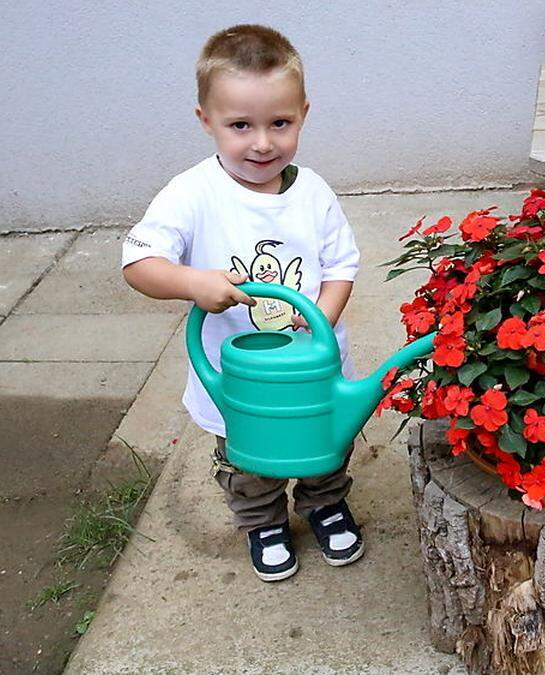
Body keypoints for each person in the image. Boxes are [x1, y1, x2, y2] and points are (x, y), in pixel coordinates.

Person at [122, 24, 364, 582]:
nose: (262, 143)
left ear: (303, 113)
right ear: (206, 120)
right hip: (238, 378)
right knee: (247, 457)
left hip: (313, 369)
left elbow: (340, 268)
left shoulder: (314, 193)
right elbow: (138, 264)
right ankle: (262, 520)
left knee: (326, 444)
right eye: (240, 125)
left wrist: (317, 335)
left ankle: (324, 503)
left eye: (280, 123)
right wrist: (191, 282)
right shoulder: (191, 194)